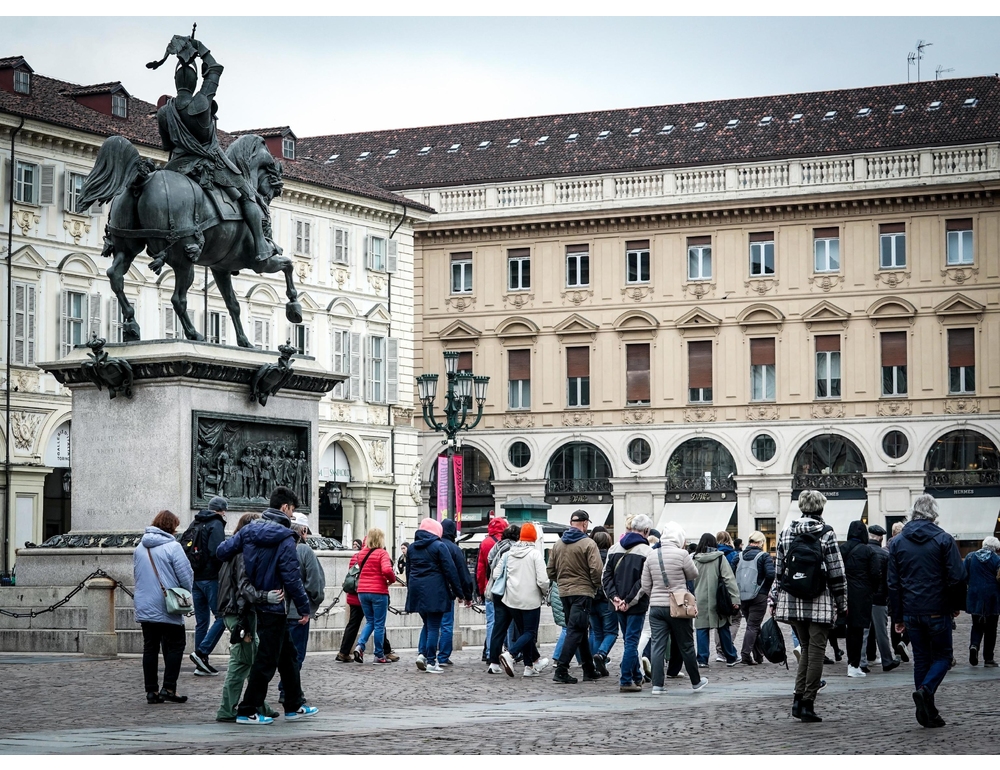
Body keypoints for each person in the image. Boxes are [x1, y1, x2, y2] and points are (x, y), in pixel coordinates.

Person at [216, 486, 318, 725]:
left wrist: (248, 560)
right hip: (274, 605)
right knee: (266, 660)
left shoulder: (249, 531)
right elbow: (291, 578)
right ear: (284, 508)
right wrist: (304, 608)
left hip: (253, 602)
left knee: (288, 655)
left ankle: (294, 703)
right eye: (292, 511)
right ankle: (247, 709)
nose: (292, 516)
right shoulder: (285, 538)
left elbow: (222, 551)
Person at [769, 489, 848, 723]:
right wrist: (842, 603)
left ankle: (797, 699)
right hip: (819, 601)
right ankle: (807, 703)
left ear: (801, 508)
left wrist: (775, 598)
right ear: (821, 509)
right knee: (815, 653)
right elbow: (837, 573)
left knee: (805, 648)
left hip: (792, 600)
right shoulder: (826, 533)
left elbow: (779, 572)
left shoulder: (786, 533)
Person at [888, 494, 965, 728]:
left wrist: (898, 616)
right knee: (943, 656)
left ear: (912, 512)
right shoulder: (943, 539)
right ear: (934, 513)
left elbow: (893, 583)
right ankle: (926, 692)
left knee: (921, 659)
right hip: (937, 609)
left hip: (912, 610)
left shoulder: (898, 542)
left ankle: (926, 712)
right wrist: (955, 605)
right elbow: (957, 576)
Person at [215, 512, 278, 722]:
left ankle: (259, 703)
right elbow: (244, 588)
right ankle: (228, 709)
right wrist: (265, 596)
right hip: (240, 613)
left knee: (252, 658)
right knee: (241, 662)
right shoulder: (242, 554)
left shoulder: (234, 550)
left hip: (238, 611)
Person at [133, 510, 194, 705]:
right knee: (176, 645)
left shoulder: (140, 547)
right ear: (172, 526)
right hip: (167, 604)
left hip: (145, 604)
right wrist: (187, 593)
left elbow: (137, 575)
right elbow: (185, 576)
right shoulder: (173, 547)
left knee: (150, 648)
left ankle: (151, 690)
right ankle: (169, 687)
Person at [640, 520, 706, 693]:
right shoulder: (682, 554)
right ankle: (696, 681)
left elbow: (645, 584)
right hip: (678, 605)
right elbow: (693, 574)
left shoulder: (651, 555)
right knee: (686, 645)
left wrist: (656, 594)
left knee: (657, 646)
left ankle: (657, 685)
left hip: (656, 607)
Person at [546, 510, 604, 684]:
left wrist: (562, 581)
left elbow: (550, 571)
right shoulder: (588, 543)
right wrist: (594, 585)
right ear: (585, 524)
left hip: (565, 593)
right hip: (583, 592)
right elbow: (596, 570)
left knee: (579, 629)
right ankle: (562, 669)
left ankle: (588, 669)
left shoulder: (558, 544)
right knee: (575, 630)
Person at [405, 518, 464, 674]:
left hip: (417, 592)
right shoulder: (439, 546)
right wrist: (459, 593)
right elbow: (450, 571)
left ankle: (422, 654)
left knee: (427, 624)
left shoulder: (411, 548)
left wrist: (411, 590)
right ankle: (431, 661)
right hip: (435, 592)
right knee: (433, 628)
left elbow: (408, 571)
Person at [603, 514, 654, 692]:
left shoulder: (614, 548)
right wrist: (629, 601)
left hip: (617, 604)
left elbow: (605, 577)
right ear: (646, 531)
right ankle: (626, 679)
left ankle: (637, 676)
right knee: (632, 642)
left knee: (628, 641)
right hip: (636, 604)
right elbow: (644, 582)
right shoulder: (647, 552)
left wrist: (614, 598)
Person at [495, 522, 551, 677]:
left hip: (511, 599)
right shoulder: (535, 554)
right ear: (533, 538)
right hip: (530, 599)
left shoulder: (509, 553)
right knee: (530, 633)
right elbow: (543, 580)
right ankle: (510, 654)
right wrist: (544, 592)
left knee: (523, 633)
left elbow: (496, 574)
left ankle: (529, 666)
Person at [279, 522, 325, 702]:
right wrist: (313, 600)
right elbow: (315, 581)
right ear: (303, 532)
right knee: (296, 654)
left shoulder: (279, 550)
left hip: (278, 609)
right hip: (298, 612)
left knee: (282, 655)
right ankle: (289, 691)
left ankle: (286, 689)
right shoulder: (304, 551)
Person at [187, 495, 228, 677]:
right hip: (212, 578)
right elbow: (217, 551)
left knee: (201, 622)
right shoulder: (216, 524)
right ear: (222, 510)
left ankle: (200, 664)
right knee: (222, 616)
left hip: (196, 578)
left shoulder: (194, 523)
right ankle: (201, 652)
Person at [693, 533, 741, 667]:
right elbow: (729, 579)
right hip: (719, 598)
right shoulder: (720, 558)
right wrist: (735, 598)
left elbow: (690, 580)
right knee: (723, 627)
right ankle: (730, 657)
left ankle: (702, 659)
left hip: (699, 599)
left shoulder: (694, 559)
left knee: (701, 629)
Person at [840, 520, 880, 678]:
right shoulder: (868, 551)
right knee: (858, 630)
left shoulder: (842, 549)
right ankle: (854, 664)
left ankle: (851, 663)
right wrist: (872, 590)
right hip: (862, 595)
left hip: (843, 593)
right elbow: (876, 574)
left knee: (849, 630)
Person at [352, 527, 397, 665]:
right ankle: (378, 655)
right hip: (378, 592)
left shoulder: (361, 553)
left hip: (362, 592)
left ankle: (360, 646)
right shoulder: (382, 553)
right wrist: (391, 579)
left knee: (370, 621)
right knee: (379, 624)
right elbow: (387, 569)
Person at [862, 524, 901, 673]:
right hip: (879, 598)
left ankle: (862, 662)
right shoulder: (885, 555)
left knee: (864, 632)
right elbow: (889, 580)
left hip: (864, 597)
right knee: (881, 632)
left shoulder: (863, 552)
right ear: (881, 538)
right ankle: (887, 660)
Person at [436, 519, 475, 666]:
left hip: (430, 591)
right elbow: (463, 574)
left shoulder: (434, 545)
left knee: (430, 625)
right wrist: (467, 595)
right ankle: (443, 657)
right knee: (446, 625)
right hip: (447, 591)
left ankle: (425, 653)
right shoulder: (454, 548)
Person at [735, 530, 775, 665]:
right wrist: (764, 589)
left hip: (742, 595)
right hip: (759, 595)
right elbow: (770, 575)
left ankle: (758, 655)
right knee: (753, 626)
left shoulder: (739, 556)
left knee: (753, 625)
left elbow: (731, 573)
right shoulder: (764, 556)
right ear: (761, 542)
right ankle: (745, 654)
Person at [477, 516, 508, 662]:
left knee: (491, 622)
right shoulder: (510, 543)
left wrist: (481, 590)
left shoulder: (485, 543)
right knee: (507, 621)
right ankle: (508, 652)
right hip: (507, 589)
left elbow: (480, 570)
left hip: (490, 588)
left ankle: (490, 652)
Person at [965, 536, 1000, 667]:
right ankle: (988, 658)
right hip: (992, 597)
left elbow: (963, 575)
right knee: (991, 628)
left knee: (976, 625)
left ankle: (974, 645)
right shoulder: (997, 559)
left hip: (975, 595)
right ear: (996, 548)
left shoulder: (970, 557)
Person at [588, 530, 618, 669]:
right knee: (611, 632)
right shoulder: (611, 557)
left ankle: (597, 664)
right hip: (607, 600)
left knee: (597, 633)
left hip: (591, 599)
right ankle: (601, 654)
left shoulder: (588, 556)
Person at [715, 530, 742, 662]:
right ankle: (728, 648)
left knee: (719, 620)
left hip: (716, 592)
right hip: (730, 591)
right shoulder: (733, 554)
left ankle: (720, 652)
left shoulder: (713, 554)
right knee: (735, 619)